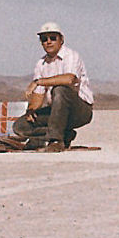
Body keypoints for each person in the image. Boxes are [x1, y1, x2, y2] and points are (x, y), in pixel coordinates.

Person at [13, 22, 93, 152]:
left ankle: (56, 140)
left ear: (61, 40)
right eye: (44, 39)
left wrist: (39, 81)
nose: (48, 42)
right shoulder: (41, 64)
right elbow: (38, 96)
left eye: (53, 38)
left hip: (79, 111)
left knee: (60, 90)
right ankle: (64, 134)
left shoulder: (71, 56)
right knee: (21, 126)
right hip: (56, 112)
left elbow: (69, 79)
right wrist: (31, 110)